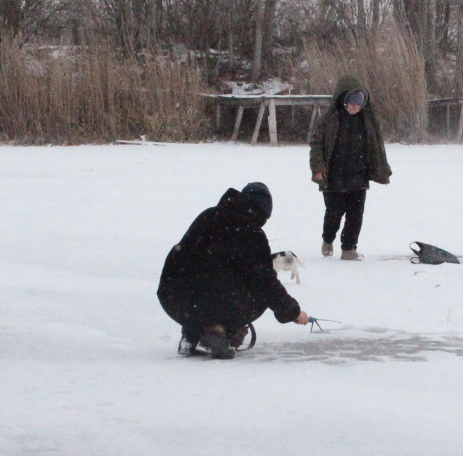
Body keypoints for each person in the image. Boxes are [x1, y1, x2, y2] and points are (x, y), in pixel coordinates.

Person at [157, 182, 310, 359]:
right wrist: (293, 312)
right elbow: (266, 283)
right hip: (205, 302)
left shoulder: (208, 215)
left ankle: (191, 335)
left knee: (207, 283)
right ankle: (219, 334)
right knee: (257, 294)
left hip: (173, 298)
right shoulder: (250, 232)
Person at [308, 75, 392, 260]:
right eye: (351, 103)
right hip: (333, 175)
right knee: (334, 213)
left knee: (355, 215)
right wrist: (318, 168)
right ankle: (328, 238)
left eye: (359, 103)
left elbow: (377, 147)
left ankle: (349, 248)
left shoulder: (368, 121)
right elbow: (317, 145)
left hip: (358, 175)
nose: (355, 107)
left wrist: (381, 169)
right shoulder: (328, 119)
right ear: (342, 99)